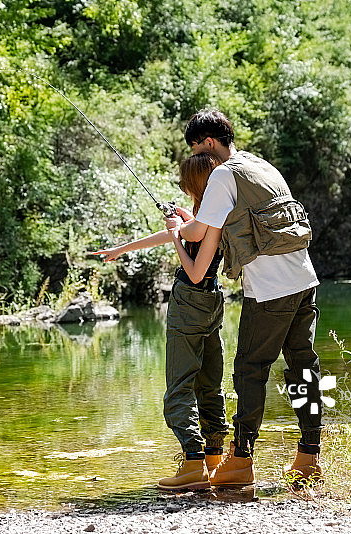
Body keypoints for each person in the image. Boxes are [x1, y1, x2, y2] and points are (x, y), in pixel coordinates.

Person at [168, 108, 324, 487]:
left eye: (196, 148)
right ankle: (309, 455)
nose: (197, 159)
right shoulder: (259, 164)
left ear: (208, 141)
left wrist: (177, 227)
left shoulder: (223, 174)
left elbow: (200, 231)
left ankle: (241, 460)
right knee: (303, 368)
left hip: (270, 290)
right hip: (305, 279)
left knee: (250, 371)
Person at [93, 153, 229, 491]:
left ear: (193, 183)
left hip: (190, 299)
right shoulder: (216, 213)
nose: (183, 188)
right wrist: (122, 249)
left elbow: (195, 271)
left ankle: (193, 463)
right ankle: (214, 459)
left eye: (186, 183)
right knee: (210, 382)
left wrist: (175, 237)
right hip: (213, 302)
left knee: (180, 385)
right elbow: (187, 233)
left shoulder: (205, 220)